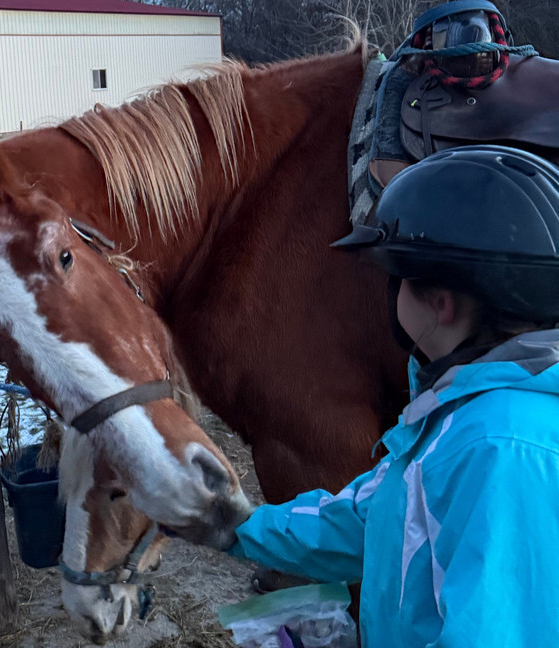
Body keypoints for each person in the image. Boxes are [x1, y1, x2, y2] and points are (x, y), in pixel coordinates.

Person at [227, 144, 559, 645]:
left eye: (394, 279)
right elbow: (370, 519)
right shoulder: (456, 415)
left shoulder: (499, 448)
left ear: (441, 304)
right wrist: (229, 525)